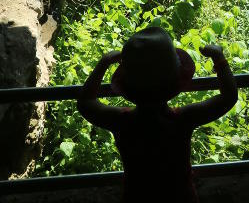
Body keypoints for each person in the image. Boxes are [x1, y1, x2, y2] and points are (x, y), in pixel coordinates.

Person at [77, 26, 238, 202]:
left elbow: (86, 103)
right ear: (177, 81)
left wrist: (104, 63)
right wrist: (218, 57)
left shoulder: (122, 121)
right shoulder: (182, 119)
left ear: (126, 85)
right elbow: (228, 97)